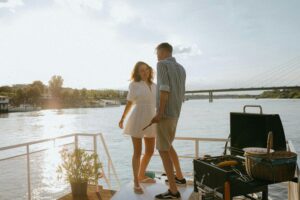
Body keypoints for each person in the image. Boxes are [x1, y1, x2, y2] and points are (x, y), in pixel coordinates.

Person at [151, 43, 186, 200]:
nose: (156, 55)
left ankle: (173, 191)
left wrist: (159, 112)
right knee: (168, 145)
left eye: (157, 52)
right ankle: (179, 177)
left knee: (163, 150)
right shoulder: (181, 68)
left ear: (163, 51)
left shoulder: (161, 64)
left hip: (165, 114)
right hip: (176, 113)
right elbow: (181, 93)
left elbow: (164, 89)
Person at [119, 61, 157, 194]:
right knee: (137, 152)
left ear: (149, 70)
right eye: (141, 70)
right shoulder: (134, 85)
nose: (145, 72)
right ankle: (136, 180)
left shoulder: (154, 85)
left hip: (152, 119)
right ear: (137, 73)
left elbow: (158, 104)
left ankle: (141, 175)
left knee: (150, 150)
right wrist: (123, 118)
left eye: (146, 69)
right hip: (138, 119)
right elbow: (129, 103)